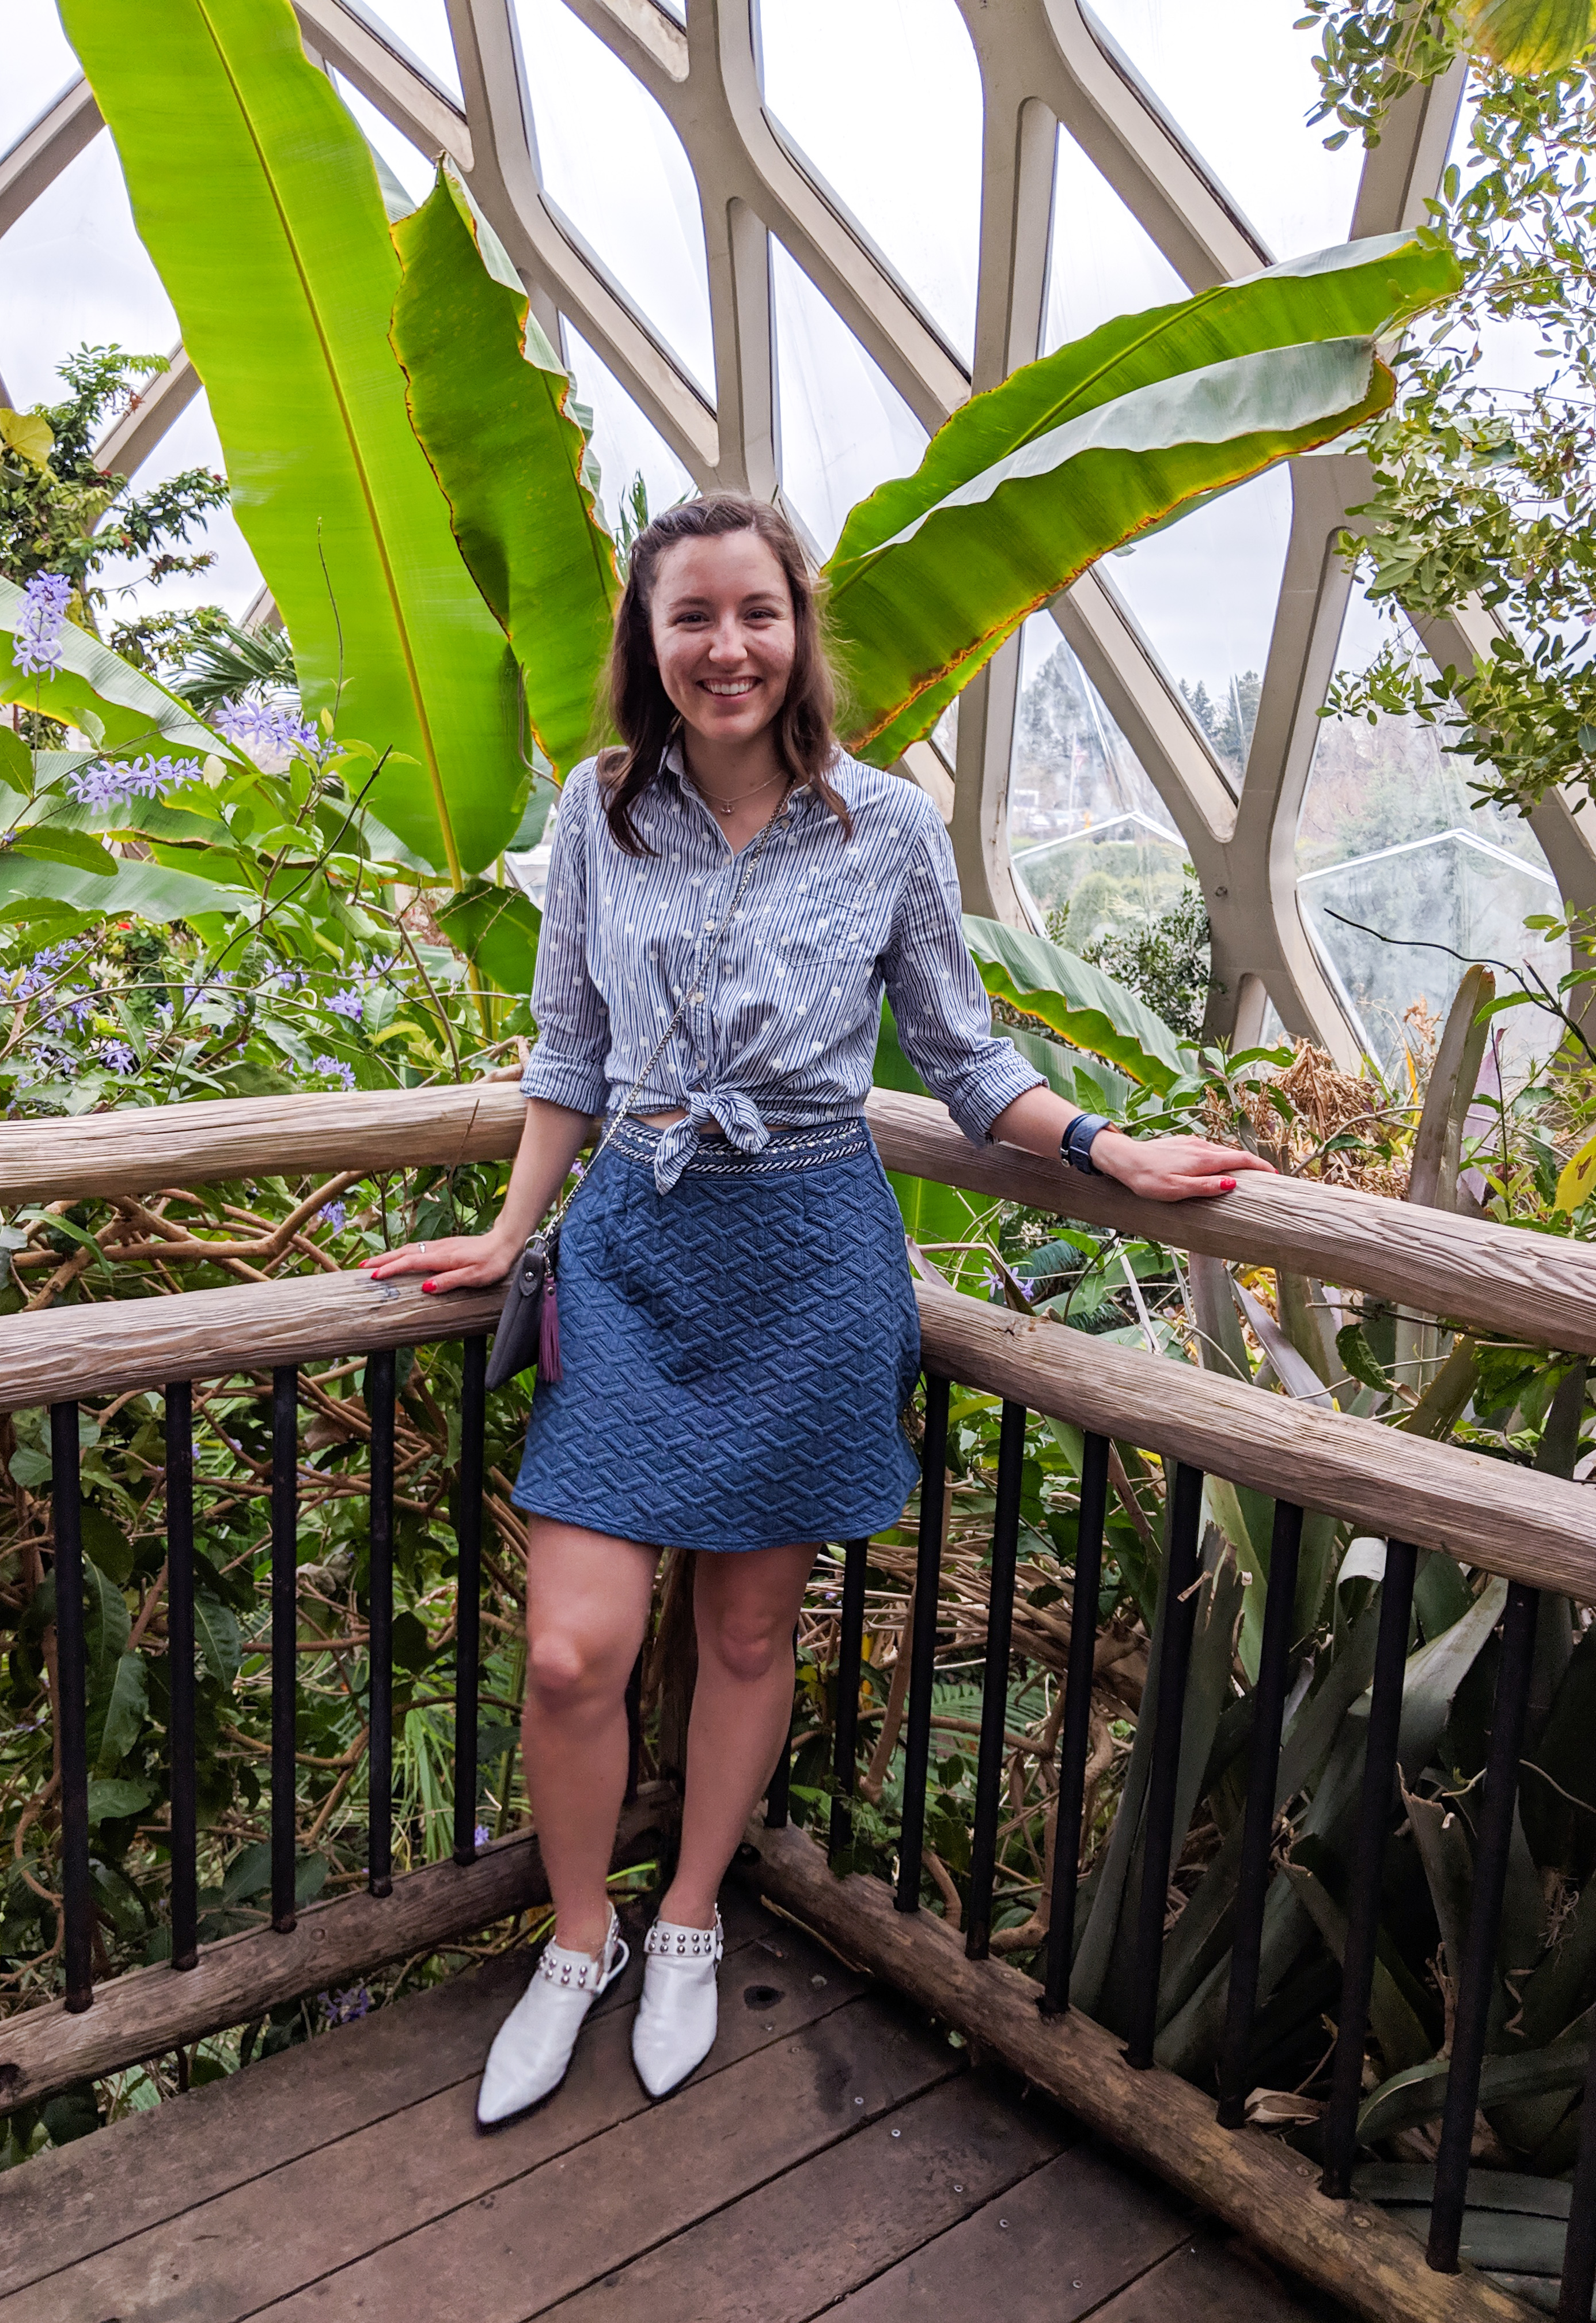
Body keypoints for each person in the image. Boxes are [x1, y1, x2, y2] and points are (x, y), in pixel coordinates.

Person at [362, 493, 1271, 2129]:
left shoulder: (886, 829)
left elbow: (963, 1050)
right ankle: (580, 1940)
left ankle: (692, 1910)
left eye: (757, 614)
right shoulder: (598, 814)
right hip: (637, 1245)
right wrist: (510, 1236)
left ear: (801, 634)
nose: (728, 647)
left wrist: (1104, 1144)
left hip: (808, 1256)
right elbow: (568, 1047)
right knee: (575, 1651)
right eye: (692, 617)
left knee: (746, 1630)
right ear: (649, 642)